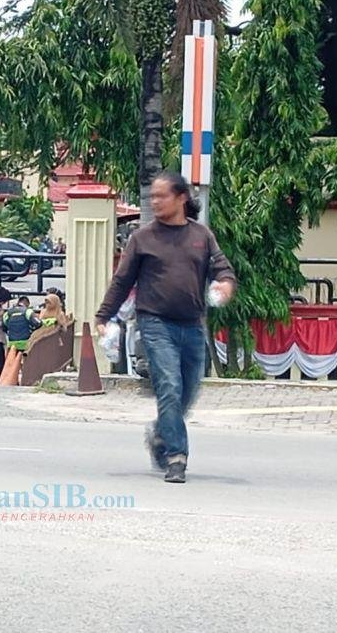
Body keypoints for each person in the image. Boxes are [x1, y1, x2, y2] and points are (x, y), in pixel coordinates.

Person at [95, 171, 236, 483]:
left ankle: (160, 433)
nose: (155, 201)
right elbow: (122, 281)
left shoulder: (201, 236)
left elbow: (223, 269)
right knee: (169, 386)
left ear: (181, 197)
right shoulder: (142, 238)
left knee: (188, 391)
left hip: (193, 325)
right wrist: (103, 317)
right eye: (153, 196)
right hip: (156, 323)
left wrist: (224, 285)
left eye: (162, 196)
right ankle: (176, 456)